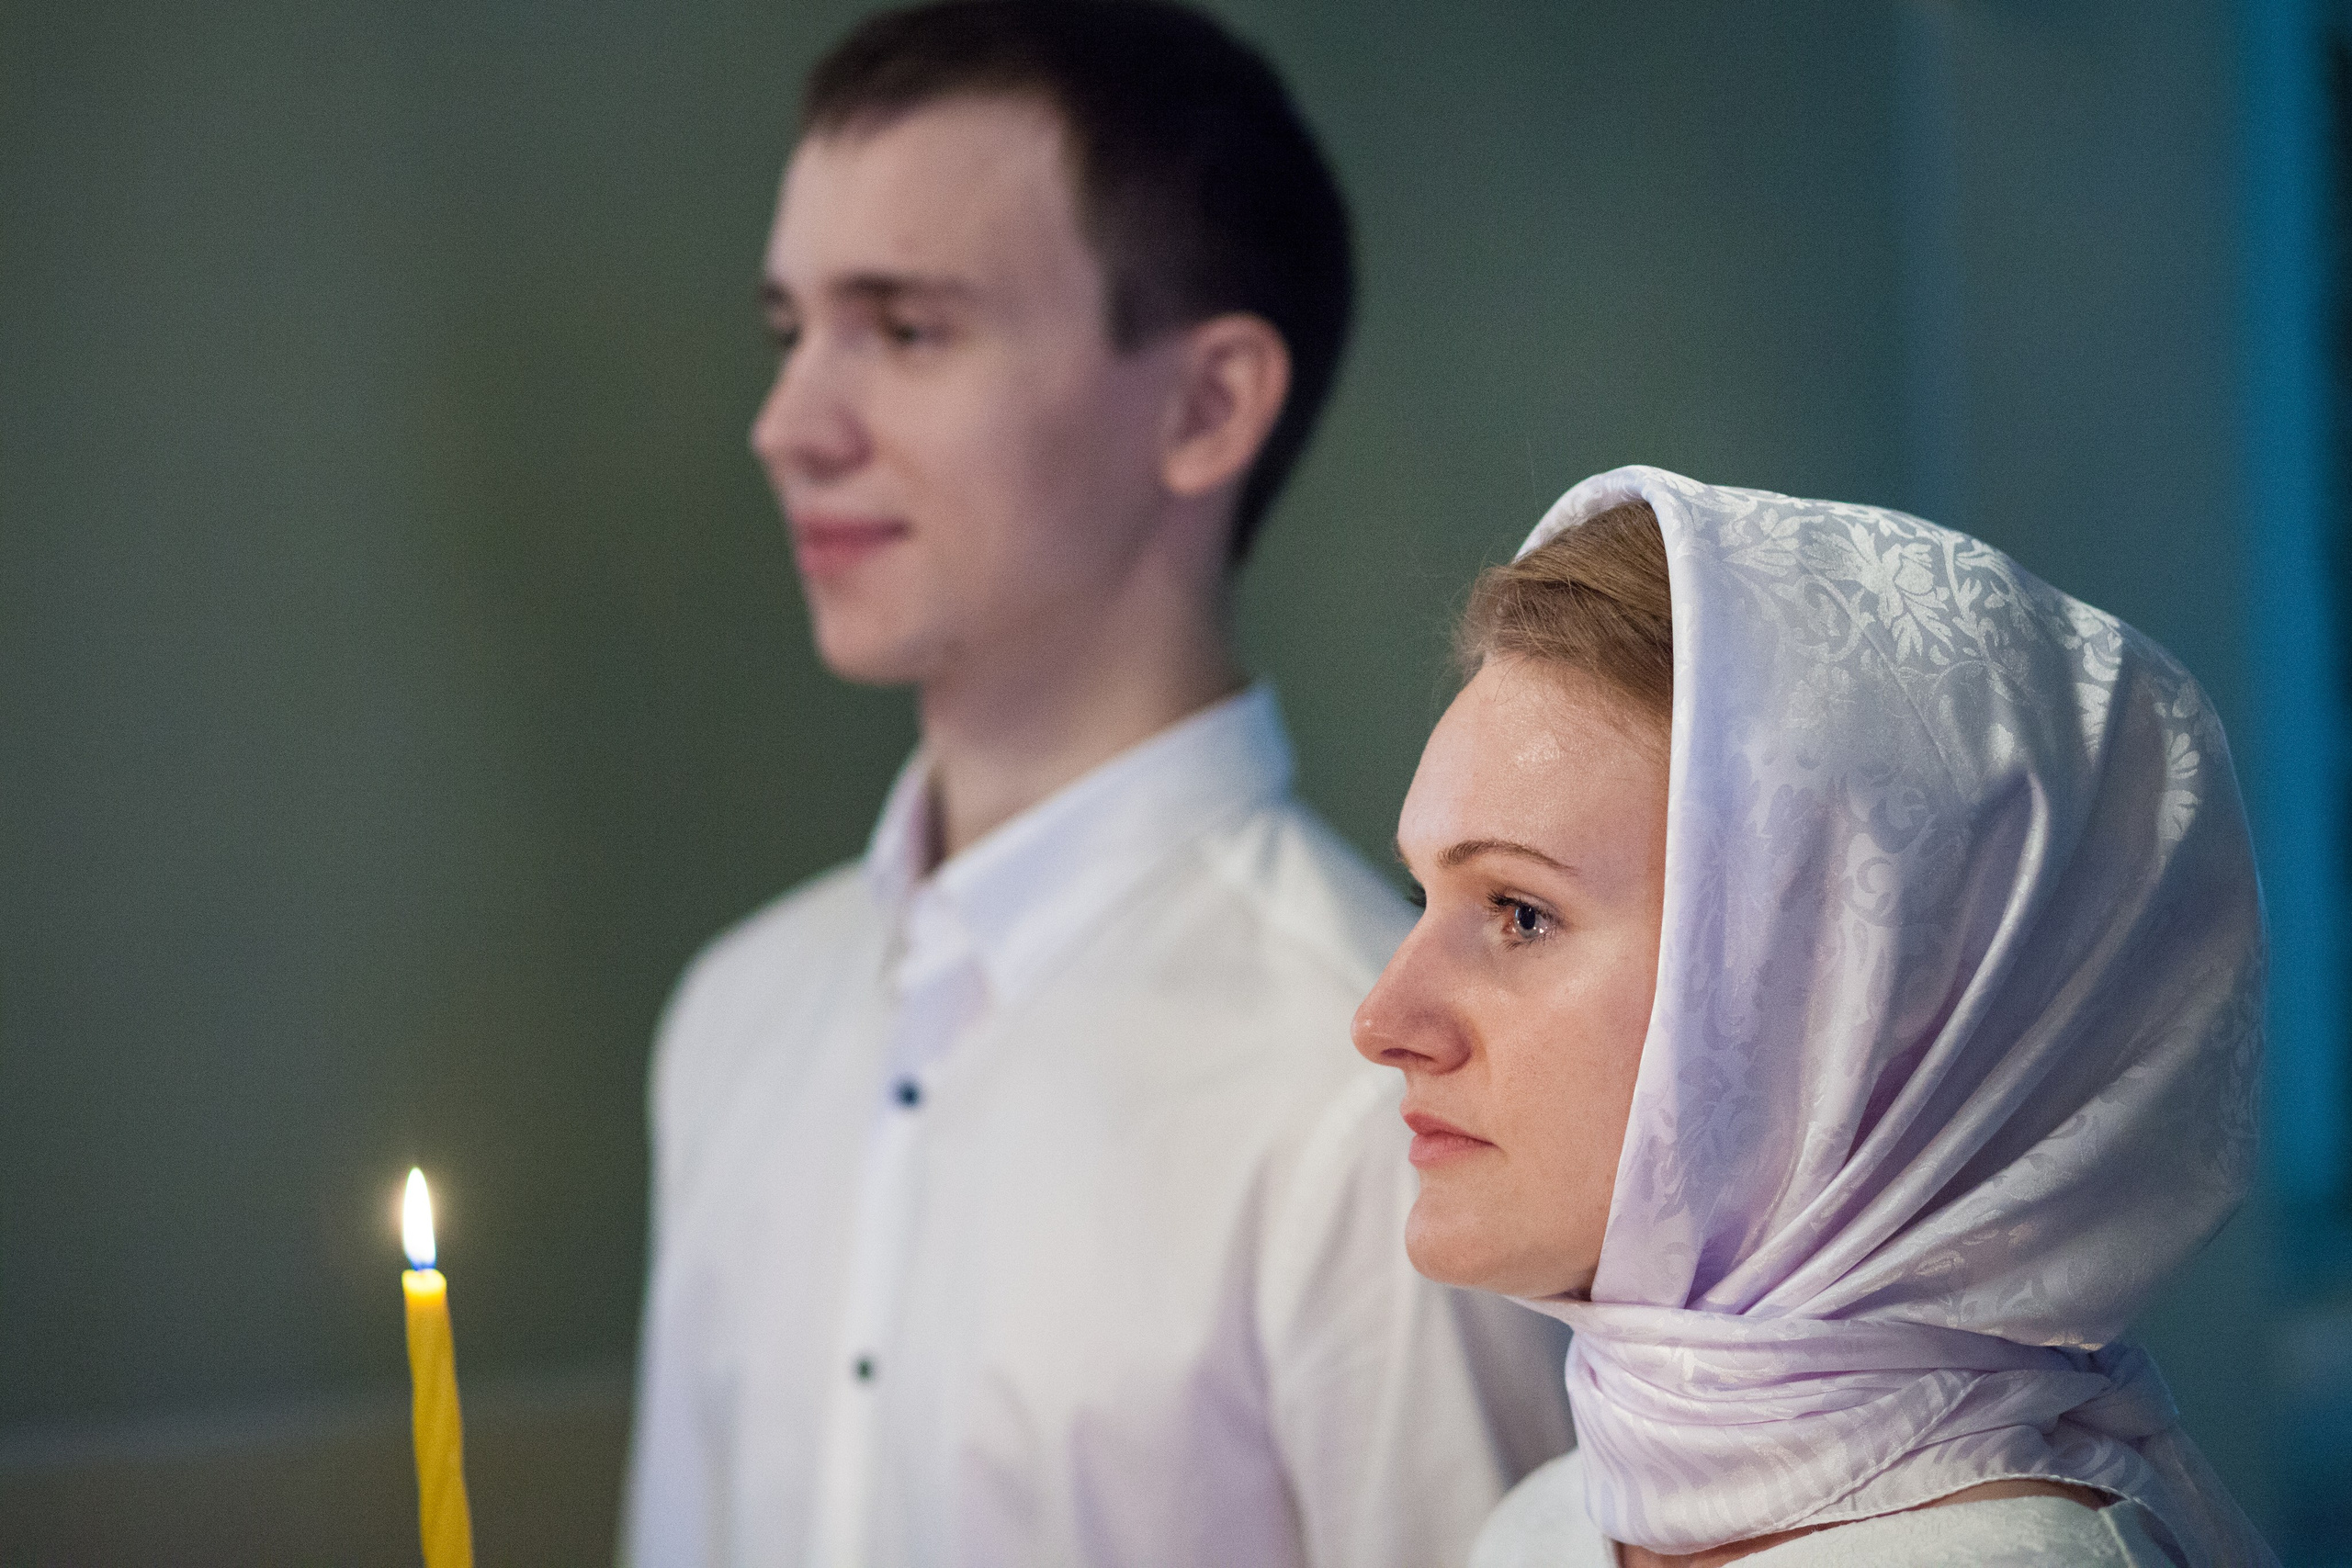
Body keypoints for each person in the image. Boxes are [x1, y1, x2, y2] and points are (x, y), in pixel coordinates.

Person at [621, 4, 1571, 1564]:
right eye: (792, 331)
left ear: (1206, 405)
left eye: (906, 330)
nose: (787, 427)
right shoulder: (734, 1019)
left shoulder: (1379, 1104)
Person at [1354, 465, 2278, 1567]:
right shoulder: (1544, 1529)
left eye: (1519, 912)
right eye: (1422, 897)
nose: (1382, 1020)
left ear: (1853, 998)